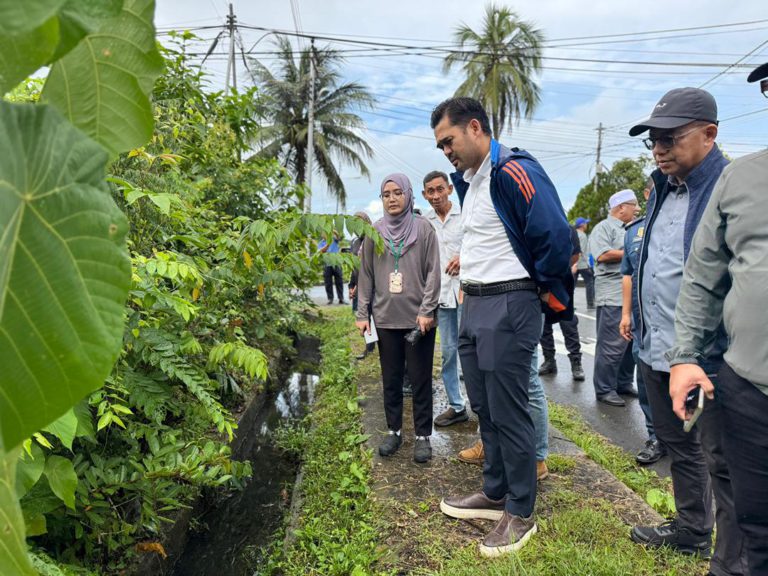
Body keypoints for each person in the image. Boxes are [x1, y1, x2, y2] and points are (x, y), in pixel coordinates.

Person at [431, 97, 573, 557]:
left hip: (510, 301)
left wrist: (543, 291)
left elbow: (554, 236)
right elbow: (487, 240)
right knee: (485, 406)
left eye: (448, 141)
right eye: (440, 146)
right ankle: (494, 492)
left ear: (475, 128)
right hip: (474, 301)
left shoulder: (513, 170)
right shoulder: (472, 184)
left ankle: (521, 510)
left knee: (510, 410)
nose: (446, 151)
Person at [627, 87, 749, 576]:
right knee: (679, 447)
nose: (659, 149)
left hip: (708, 356)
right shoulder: (660, 187)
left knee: (723, 462)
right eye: (653, 140)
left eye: (670, 139)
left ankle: (731, 560)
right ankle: (693, 530)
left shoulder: (730, 188)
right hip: (657, 347)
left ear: (709, 134)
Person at [667, 67, 768, 576]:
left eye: (671, 137)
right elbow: (702, 276)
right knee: (755, 526)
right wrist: (685, 355)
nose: (660, 149)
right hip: (751, 388)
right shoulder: (742, 178)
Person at [355, 174, 440, 464]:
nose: (392, 199)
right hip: (385, 319)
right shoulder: (374, 233)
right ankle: (394, 431)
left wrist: (427, 310)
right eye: (386, 194)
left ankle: (422, 436)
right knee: (390, 379)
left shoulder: (424, 229)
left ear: (408, 194)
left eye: (397, 193)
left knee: (419, 379)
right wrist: (362, 313)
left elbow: (433, 274)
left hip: (419, 321)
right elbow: (365, 275)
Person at [619, 179, 666, 465]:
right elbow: (627, 274)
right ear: (647, 195)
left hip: (676, 320)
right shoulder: (633, 232)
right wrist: (626, 315)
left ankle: (688, 437)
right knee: (646, 380)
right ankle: (656, 435)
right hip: (642, 321)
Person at [422, 170, 469, 427]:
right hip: (441, 296)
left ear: (450, 189)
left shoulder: (465, 215)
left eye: (440, 189)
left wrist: (464, 258)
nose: (436, 195)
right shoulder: (425, 223)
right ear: (424, 195)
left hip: (468, 292)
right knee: (449, 352)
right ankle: (457, 405)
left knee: (473, 351)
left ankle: (483, 405)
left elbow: (479, 244)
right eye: (431, 191)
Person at [589, 189, 639, 407]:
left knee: (630, 345)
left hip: (632, 297)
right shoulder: (604, 228)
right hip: (612, 296)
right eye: (634, 205)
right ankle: (604, 389)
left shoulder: (633, 229)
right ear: (621, 208)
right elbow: (602, 255)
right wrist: (633, 249)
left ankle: (623, 383)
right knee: (611, 346)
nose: (637, 209)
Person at [538, 224, 585, 381]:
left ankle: (576, 363)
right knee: (543, 323)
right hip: (541, 280)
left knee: (568, 321)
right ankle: (549, 360)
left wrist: (560, 269)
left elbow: (575, 255)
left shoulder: (568, 229)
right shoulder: (538, 226)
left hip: (561, 280)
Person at [349, 211, 375, 360]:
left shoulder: (373, 239)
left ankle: (384, 348)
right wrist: (352, 285)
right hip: (359, 284)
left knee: (377, 317)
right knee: (365, 316)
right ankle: (369, 347)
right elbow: (354, 267)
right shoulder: (354, 242)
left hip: (374, 285)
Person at [573, 217, 595, 309]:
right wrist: (586, 264)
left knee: (571, 286)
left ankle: (569, 306)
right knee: (590, 283)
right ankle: (590, 304)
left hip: (573, 264)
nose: (586, 225)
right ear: (582, 225)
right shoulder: (582, 235)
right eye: (585, 223)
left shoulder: (573, 234)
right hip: (582, 264)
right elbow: (580, 250)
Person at [318, 233, 346, 305]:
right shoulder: (321, 243)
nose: (324, 235)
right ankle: (330, 299)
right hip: (327, 264)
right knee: (328, 282)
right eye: (323, 233)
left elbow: (339, 237)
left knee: (339, 281)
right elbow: (321, 251)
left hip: (336, 263)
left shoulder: (334, 239)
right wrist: (327, 244)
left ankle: (341, 299)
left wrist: (333, 231)